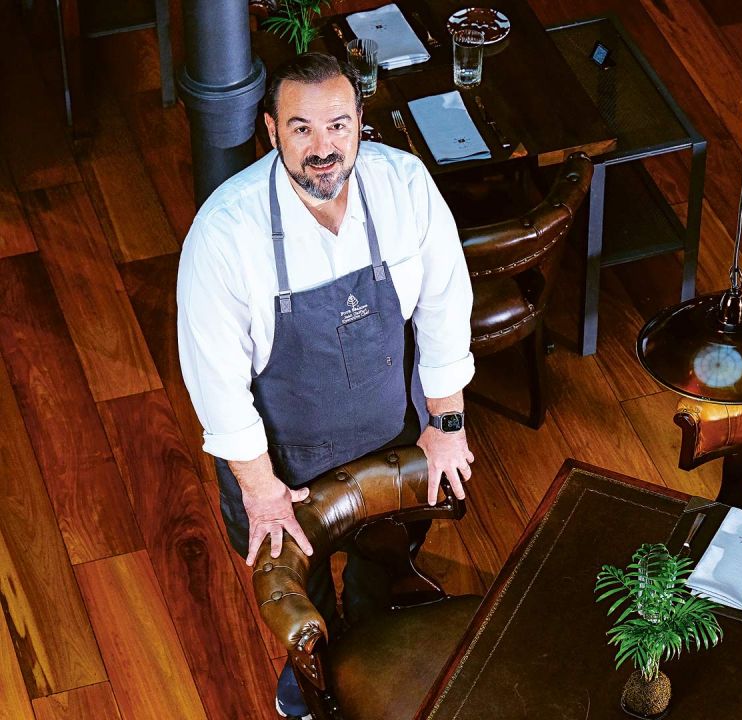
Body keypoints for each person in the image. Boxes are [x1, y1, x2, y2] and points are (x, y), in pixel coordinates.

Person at [176, 53, 474, 719]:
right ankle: (319, 675)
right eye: (301, 129)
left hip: (392, 438)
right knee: (301, 587)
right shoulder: (227, 234)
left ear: (361, 123)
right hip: (287, 470)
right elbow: (217, 384)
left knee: (387, 555)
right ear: (270, 129)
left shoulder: (405, 187)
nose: (322, 149)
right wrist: (261, 493)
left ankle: (377, 625)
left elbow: (446, 303)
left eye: (338, 126)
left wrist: (446, 424)